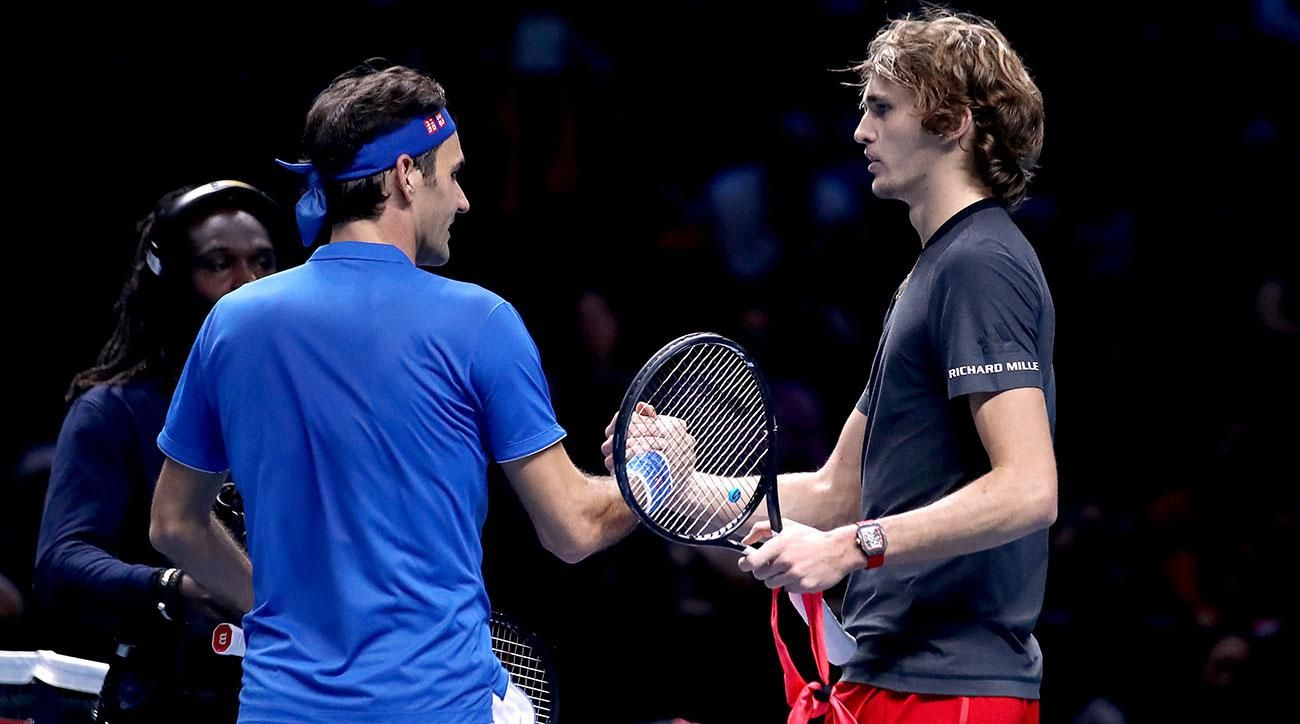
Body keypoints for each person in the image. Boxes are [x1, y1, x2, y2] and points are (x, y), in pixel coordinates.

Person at [147, 61, 638, 724]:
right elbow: (574, 528)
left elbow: (173, 523)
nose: (463, 200)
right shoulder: (480, 323)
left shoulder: (232, 323)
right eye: (454, 172)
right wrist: (653, 478)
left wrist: (274, 605)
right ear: (407, 174)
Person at [734, 8, 1056, 722]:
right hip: (890, 676)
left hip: (952, 689)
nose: (860, 132)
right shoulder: (931, 274)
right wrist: (674, 489)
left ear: (952, 122)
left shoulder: (981, 264)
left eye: (881, 109)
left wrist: (850, 549)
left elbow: (1030, 488)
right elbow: (836, 489)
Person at [34, 180, 284, 723]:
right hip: (162, 700)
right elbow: (61, 561)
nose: (249, 283)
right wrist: (169, 588)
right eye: (219, 264)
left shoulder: (302, 406)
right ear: (169, 281)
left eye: (263, 262)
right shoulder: (113, 412)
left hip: (297, 692)